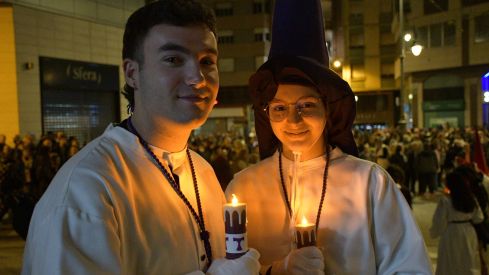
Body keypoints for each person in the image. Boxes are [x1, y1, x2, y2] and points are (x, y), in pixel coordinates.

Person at [21, 1, 260, 274]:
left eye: (207, 61)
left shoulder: (202, 172)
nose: (197, 78)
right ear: (133, 73)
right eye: (173, 60)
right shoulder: (86, 189)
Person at [225, 0, 433, 274]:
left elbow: (409, 267)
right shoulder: (245, 186)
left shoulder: (369, 182)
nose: (293, 120)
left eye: (306, 106)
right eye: (279, 108)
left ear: (329, 108)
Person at [430, 171, 484, 275]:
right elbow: (479, 218)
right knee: (468, 261)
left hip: (452, 232)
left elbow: (440, 221)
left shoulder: (446, 200)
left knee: (450, 263)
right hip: (469, 232)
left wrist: (434, 232)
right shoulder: (471, 199)